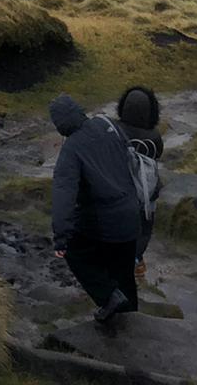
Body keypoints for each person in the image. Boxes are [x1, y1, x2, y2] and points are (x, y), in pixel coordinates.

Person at [50, 94, 142, 324]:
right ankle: (133, 325)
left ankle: (109, 297)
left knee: (75, 251)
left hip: (105, 223)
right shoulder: (106, 123)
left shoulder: (71, 150)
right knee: (123, 274)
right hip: (132, 215)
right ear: (80, 110)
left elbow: (64, 196)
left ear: (59, 124)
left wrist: (61, 237)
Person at [116, 85, 162, 278]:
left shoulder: (114, 130)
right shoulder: (154, 138)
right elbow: (157, 154)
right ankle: (137, 262)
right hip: (145, 192)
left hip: (117, 190)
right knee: (144, 228)